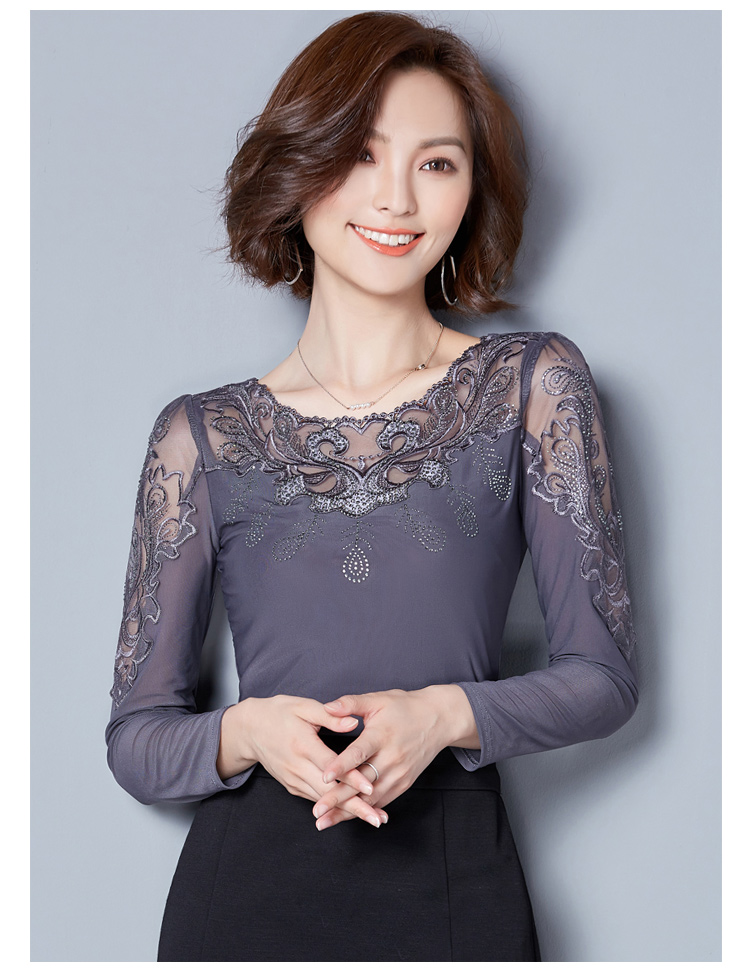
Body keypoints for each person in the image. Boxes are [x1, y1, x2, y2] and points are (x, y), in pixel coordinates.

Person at [105, 11, 638, 962]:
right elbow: (137, 742)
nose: (396, 197)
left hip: (454, 877)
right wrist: (250, 733)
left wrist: (444, 714)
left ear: (472, 191)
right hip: (244, 893)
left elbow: (603, 678)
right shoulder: (200, 436)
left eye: (437, 163)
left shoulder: (531, 388)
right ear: (297, 166)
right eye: (360, 153)